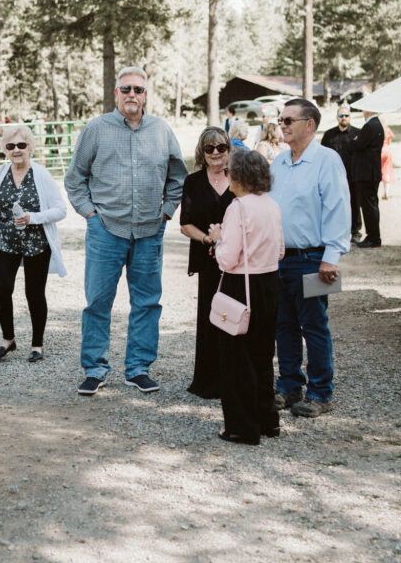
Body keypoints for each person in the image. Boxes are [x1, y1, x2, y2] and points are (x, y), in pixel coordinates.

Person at [64, 65, 188, 395]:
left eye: (138, 90)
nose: (132, 95)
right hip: (106, 229)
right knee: (98, 301)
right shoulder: (96, 129)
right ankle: (94, 368)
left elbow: (178, 178)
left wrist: (166, 212)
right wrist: (90, 214)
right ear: (116, 93)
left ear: (146, 95)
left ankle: (138, 368)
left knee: (147, 302)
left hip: (149, 231)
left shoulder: (161, 131)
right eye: (126, 89)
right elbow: (74, 179)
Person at [269, 98, 350, 418]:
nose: (283, 125)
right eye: (281, 120)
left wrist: (332, 257)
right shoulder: (278, 162)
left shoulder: (327, 160)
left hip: (314, 259)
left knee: (314, 327)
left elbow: (339, 210)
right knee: (283, 326)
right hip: (278, 260)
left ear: (310, 124)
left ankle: (320, 393)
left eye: (289, 120)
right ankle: (289, 387)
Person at [0, 124, 67, 362]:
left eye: (21, 145)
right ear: (4, 149)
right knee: (0, 288)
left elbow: (60, 210)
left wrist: (33, 218)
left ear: (30, 147)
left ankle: (37, 344)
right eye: (10, 146)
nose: (16, 150)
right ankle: (8, 339)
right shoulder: (0, 172)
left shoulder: (41, 174)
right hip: (5, 242)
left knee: (34, 292)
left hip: (36, 244)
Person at [207, 149, 284, 444]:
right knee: (263, 356)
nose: (226, 175)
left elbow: (226, 259)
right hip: (268, 283)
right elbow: (280, 250)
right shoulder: (272, 205)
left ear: (238, 176)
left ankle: (241, 427)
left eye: (229, 171)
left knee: (236, 360)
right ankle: (267, 420)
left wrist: (218, 237)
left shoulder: (237, 208)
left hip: (241, 287)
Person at [179, 127, 234, 398]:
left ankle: (234, 380)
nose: (215, 153)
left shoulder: (239, 178)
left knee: (236, 316)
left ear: (228, 149)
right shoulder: (193, 182)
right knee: (209, 316)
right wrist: (209, 241)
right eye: (209, 148)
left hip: (237, 262)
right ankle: (208, 380)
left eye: (221, 148)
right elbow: (185, 224)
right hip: (208, 259)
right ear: (202, 152)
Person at [344, 110, 385, 248]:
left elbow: (357, 145)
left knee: (369, 206)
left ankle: (373, 237)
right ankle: (373, 236)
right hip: (369, 172)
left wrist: (353, 141)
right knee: (371, 205)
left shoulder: (371, 125)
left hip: (367, 173)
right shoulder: (375, 124)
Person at [321, 106, 361, 243]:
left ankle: (355, 231)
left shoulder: (358, 133)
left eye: (346, 115)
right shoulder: (329, 135)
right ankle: (336, 231)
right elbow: (323, 155)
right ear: (337, 117)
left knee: (354, 202)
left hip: (353, 174)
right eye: (341, 115)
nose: (344, 118)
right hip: (334, 175)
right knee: (334, 203)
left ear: (350, 117)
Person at [381, 123, 394, 199]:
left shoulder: (377, 130)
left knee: (380, 171)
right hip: (386, 150)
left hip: (379, 151)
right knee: (387, 171)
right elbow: (389, 141)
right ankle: (387, 192)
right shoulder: (387, 129)